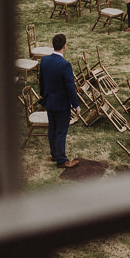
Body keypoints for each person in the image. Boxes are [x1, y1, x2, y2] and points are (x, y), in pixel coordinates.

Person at [38, 33, 81, 168]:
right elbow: (70, 87)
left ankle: (54, 154)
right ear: (64, 46)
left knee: (52, 128)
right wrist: (76, 105)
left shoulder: (44, 61)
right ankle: (61, 160)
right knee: (61, 131)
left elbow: (41, 81)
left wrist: (43, 97)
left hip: (50, 101)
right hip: (62, 104)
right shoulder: (65, 65)